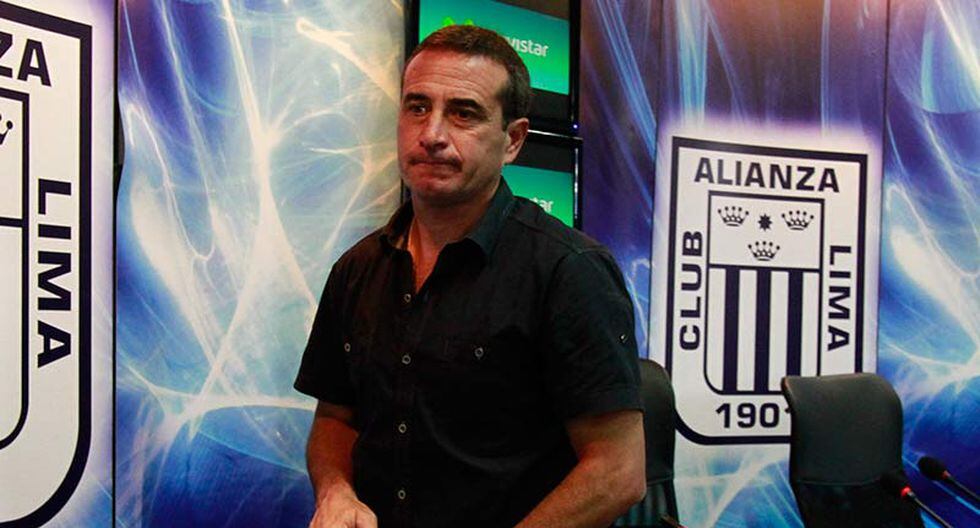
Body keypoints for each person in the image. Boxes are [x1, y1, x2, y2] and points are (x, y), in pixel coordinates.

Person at [295, 25, 645, 528]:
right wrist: (335, 491)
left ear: (513, 140)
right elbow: (334, 418)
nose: (432, 134)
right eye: (417, 107)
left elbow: (617, 472)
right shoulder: (357, 268)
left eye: (463, 113)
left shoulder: (569, 270)